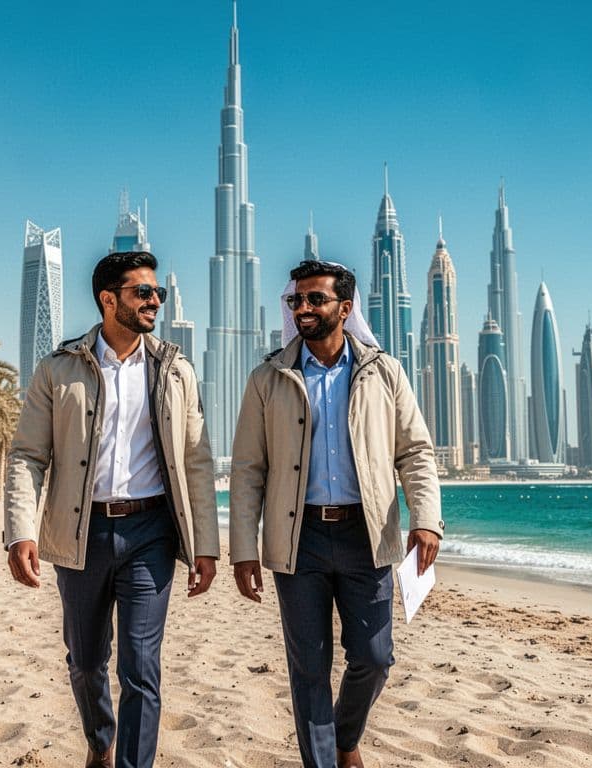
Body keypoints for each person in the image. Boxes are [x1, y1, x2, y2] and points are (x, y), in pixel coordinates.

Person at [5, 251, 219, 768]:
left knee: (142, 666)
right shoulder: (59, 368)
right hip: (81, 533)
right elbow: (28, 455)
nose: (154, 302)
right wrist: (19, 531)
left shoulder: (175, 369)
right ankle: (101, 741)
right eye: (142, 292)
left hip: (151, 533)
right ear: (108, 299)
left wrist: (206, 546)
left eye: (158, 294)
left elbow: (196, 460)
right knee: (85, 661)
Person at [229, 260, 443, 768]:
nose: (302, 308)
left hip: (365, 536)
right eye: (295, 300)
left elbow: (414, 451)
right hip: (296, 538)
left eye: (314, 300)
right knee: (309, 668)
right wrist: (242, 549)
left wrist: (426, 518)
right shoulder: (268, 378)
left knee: (374, 658)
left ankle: (346, 741)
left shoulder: (383, 371)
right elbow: (248, 469)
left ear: (344, 309)